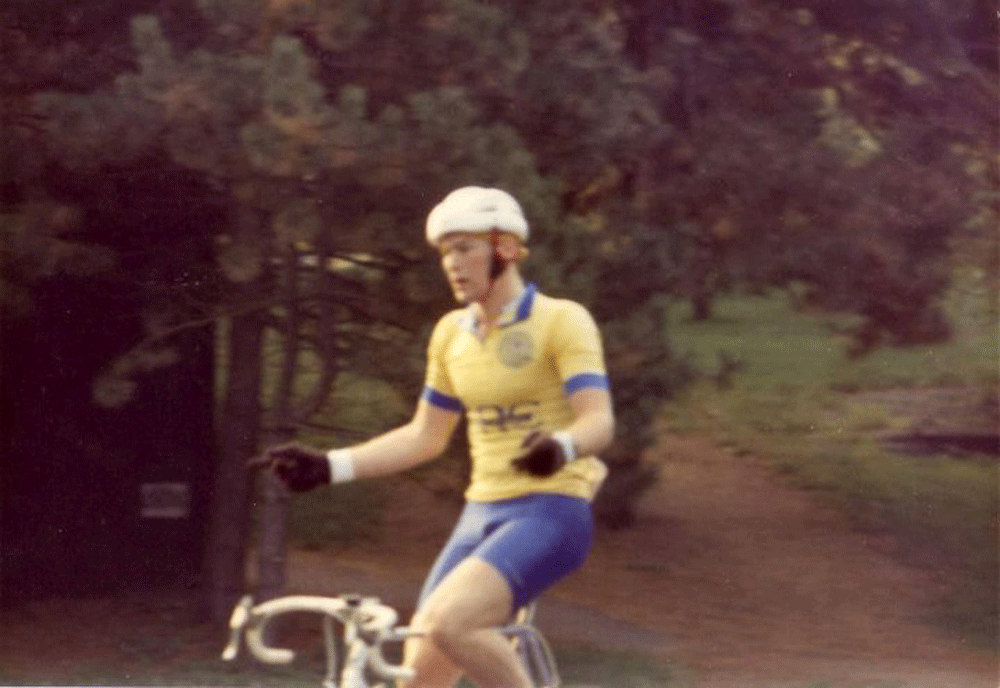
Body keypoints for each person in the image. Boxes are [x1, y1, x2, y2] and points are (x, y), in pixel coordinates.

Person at [259, 186, 615, 688]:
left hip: (552, 510)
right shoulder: (451, 334)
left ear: (507, 249)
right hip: (481, 512)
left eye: (466, 247)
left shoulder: (561, 321)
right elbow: (425, 436)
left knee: (453, 622)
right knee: (414, 678)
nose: (452, 262)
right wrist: (328, 466)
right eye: (445, 251)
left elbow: (599, 421)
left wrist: (561, 447)